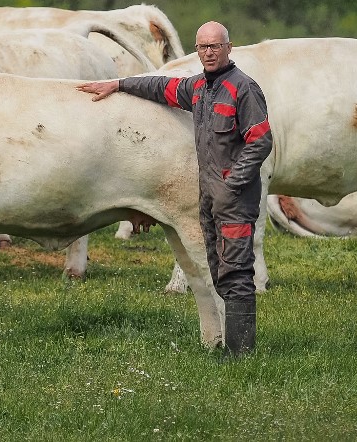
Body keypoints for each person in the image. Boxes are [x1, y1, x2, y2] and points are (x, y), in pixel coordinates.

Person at [76, 21, 272, 357]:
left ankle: (242, 354)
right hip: (209, 197)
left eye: (215, 46)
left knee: (237, 271)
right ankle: (231, 347)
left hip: (234, 199)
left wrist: (233, 183)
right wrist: (118, 84)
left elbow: (261, 141)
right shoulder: (199, 88)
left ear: (228, 48)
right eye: (203, 47)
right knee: (218, 268)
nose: (209, 53)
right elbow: (160, 87)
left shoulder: (243, 89)